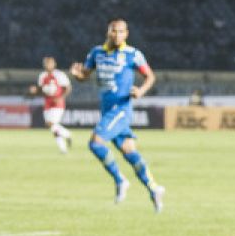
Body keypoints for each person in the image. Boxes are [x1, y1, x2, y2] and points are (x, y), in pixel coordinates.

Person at [69, 19, 165, 212]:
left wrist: (141, 91)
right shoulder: (97, 53)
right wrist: (76, 75)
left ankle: (120, 179)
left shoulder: (132, 54)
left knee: (95, 143)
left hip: (121, 109)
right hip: (107, 109)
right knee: (130, 152)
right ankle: (154, 188)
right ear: (108, 32)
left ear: (126, 34)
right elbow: (85, 75)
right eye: (114, 31)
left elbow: (150, 76)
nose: (117, 35)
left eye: (121, 32)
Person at [28, 56, 73, 154]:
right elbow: (41, 90)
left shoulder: (59, 75)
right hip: (47, 102)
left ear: (54, 64)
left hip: (57, 103)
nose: (48, 65)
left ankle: (67, 134)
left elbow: (68, 88)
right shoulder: (42, 76)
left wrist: (61, 97)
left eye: (50, 63)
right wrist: (35, 90)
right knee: (52, 127)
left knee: (51, 124)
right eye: (46, 63)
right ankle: (63, 148)